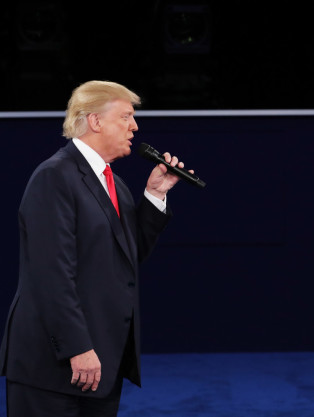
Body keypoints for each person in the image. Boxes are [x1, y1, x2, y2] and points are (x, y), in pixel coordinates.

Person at [0, 80, 194, 416]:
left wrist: (155, 195)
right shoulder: (54, 176)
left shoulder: (113, 182)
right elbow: (51, 274)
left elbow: (126, 257)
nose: (134, 127)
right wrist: (77, 347)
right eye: (126, 117)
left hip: (101, 364)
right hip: (55, 366)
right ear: (95, 121)